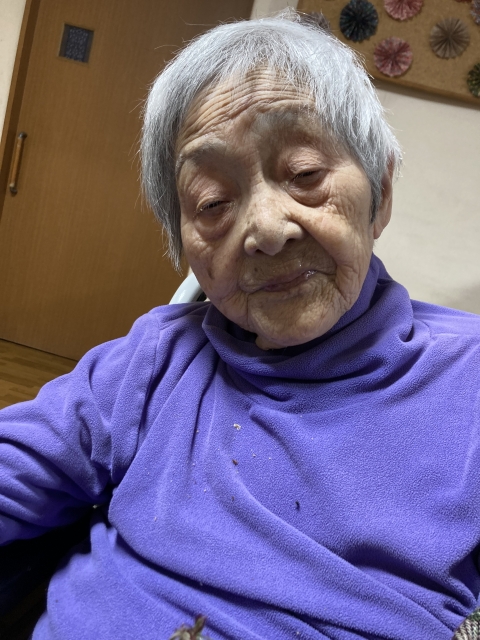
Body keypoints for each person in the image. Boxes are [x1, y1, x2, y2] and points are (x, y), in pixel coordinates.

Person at [1, 9, 479, 640]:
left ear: (381, 190)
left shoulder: (468, 381)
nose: (267, 231)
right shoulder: (157, 359)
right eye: (213, 203)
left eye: (305, 175)